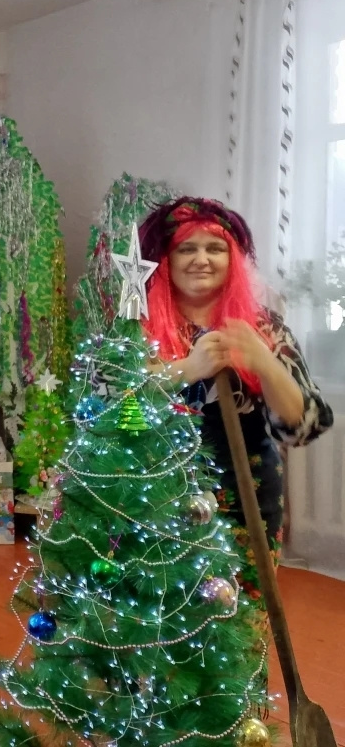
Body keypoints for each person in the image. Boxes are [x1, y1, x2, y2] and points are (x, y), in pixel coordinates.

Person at [139, 196, 333, 597]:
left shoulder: (264, 328)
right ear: (165, 259)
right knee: (159, 618)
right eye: (186, 249)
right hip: (149, 498)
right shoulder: (136, 326)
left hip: (246, 500)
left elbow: (302, 427)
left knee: (240, 615)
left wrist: (264, 362)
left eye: (215, 248)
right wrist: (186, 370)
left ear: (233, 260)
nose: (202, 260)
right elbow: (103, 407)